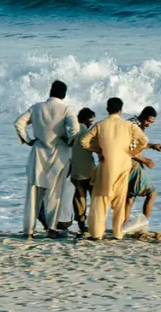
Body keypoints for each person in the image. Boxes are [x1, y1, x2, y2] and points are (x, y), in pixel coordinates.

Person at [14, 80, 79, 238]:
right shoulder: (66, 109)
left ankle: (29, 230)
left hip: (38, 152)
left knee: (33, 193)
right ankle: (51, 228)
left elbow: (18, 123)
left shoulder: (36, 107)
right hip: (59, 153)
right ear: (64, 94)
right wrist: (69, 141)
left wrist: (28, 140)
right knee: (54, 192)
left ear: (50, 91)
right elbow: (75, 128)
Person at [80, 97, 147, 241]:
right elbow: (144, 140)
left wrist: (98, 150)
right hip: (124, 164)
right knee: (120, 201)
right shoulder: (129, 125)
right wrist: (132, 153)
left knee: (101, 200)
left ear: (107, 109)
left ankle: (97, 233)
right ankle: (118, 232)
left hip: (106, 166)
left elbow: (83, 141)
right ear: (120, 110)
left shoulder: (100, 125)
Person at [123, 106, 161, 226]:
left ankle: (123, 225)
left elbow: (134, 144)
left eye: (151, 122)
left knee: (130, 197)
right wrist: (144, 160)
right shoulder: (133, 126)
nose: (149, 124)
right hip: (132, 163)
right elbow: (126, 148)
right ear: (143, 116)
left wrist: (152, 146)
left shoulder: (133, 123)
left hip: (127, 163)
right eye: (148, 121)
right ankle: (143, 223)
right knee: (152, 193)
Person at [69, 107, 97, 235]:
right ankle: (94, 224)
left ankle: (81, 225)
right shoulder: (87, 132)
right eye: (90, 121)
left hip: (75, 170)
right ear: (85, 119)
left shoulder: (71, 131)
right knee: (94, 199)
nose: (91, 123)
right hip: (89, 170)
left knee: (79, 200)